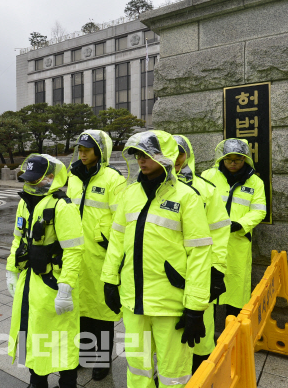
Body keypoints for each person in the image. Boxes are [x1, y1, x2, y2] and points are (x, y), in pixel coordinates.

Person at [101, 130, 213, 388]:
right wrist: (109, 280)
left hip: (169, 303)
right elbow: (117, 240)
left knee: (173, 373)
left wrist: (196, 307)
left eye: (147, 154)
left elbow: (199, 253)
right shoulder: (129, 194)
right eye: (138, 155)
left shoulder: (187, 197)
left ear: (166, 156)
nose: (141, 160)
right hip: (133, 301)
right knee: (138, 368)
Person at [6, 154, 85, 388]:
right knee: (30, 331)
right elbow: (17, 239)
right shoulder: (25, 202)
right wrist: (11, 269)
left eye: (37, 180)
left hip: (54, 282)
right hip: (29, 281)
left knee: (62, 337)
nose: (31, 184)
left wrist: (66, 287)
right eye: (29, 179)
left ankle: (68, 382)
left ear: (51, 177)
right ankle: (37, 380)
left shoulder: (62, 206)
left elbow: (74, 250)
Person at [67, 130, 125, 380]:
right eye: (79, 149)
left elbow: (121, 220)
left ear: (99, 152)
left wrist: (108, 244)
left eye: (87, 150)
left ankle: (102, 359)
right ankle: (85, 353)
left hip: (100, 256)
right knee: (80, 307)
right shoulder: (73, 177)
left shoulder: (114, 179)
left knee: (101, 311)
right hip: (76, 254)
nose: (82, 153)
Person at [173, 135, 230, 373]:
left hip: (199, 271)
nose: (175, 159)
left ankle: (201, 372)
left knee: (199, 328)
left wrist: (216, 269)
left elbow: (219, 230)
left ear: (189, 155)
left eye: (180, 153)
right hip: (164, 272)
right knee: (169, 331)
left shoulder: (206, 190)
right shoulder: (150, 188)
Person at [201, 139, 266, 317]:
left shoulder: (255, 183)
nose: (232, 163)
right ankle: (207, 335)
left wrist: (240, 224)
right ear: (222, 158)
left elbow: (259, 210)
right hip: (210, 241)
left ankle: (234, 336)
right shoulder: (208, 176)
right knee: (207, 289)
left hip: (237, 242)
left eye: (237, 159)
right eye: (228, 159)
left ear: (245, 159)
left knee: (236, 288)